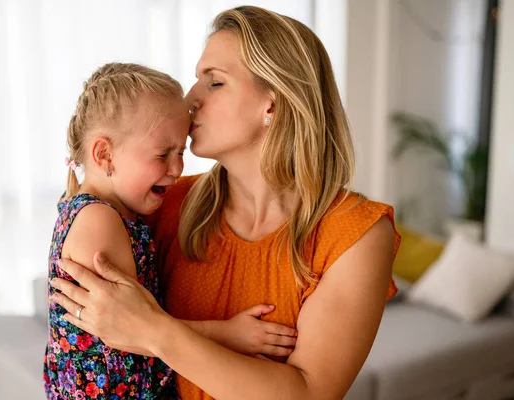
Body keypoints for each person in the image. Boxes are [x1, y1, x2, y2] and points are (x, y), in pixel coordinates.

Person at [51, 6, 399, 400]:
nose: (189, 98)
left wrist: (154, 330)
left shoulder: (356, 234)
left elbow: (310, 393)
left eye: (214, 83)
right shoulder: (162, 203)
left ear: (272, 103)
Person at [45, 62, 297, 400]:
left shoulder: (99, 208)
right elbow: (129, 331)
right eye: (163, 154)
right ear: (104, 154)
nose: (177, 169)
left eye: (180, 152)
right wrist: (228, 334)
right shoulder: (98, 220)